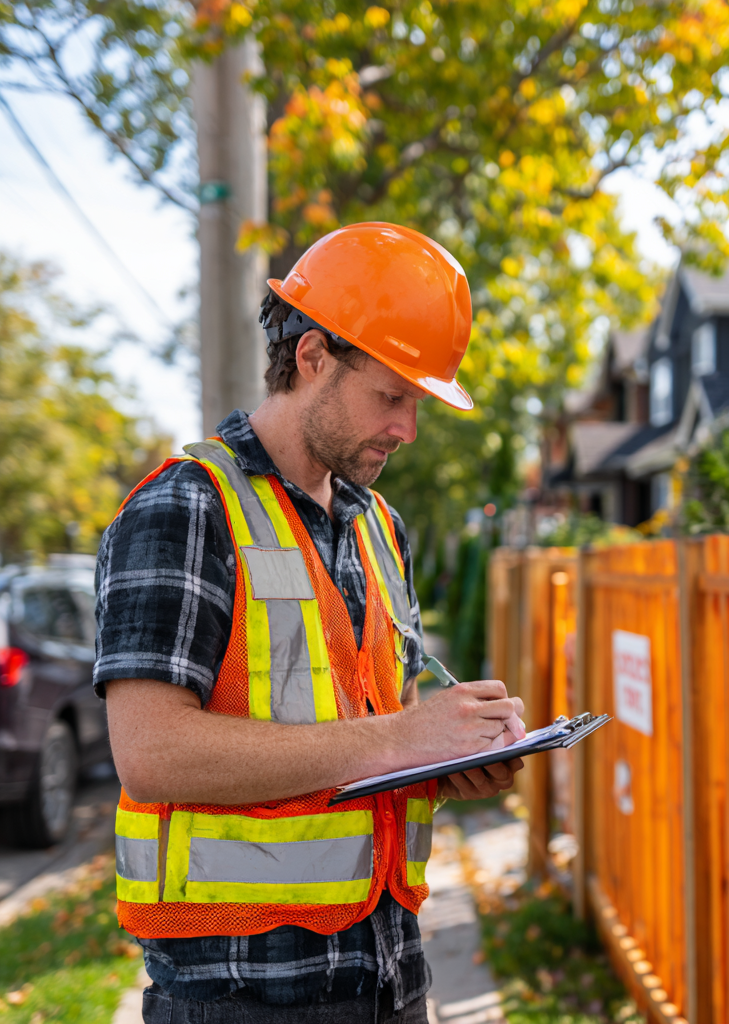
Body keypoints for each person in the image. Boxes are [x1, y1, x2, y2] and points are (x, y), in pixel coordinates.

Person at [95, 222, 526, 1024]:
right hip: (240, 998)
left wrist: (447, 758)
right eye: (391, 395)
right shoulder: (185, 508)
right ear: (313, 357)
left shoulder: (378, 527)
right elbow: (151, 754)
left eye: (418, 402)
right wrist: (404, 738)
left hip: (391, 977)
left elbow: (363, 742)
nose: (408, 429)